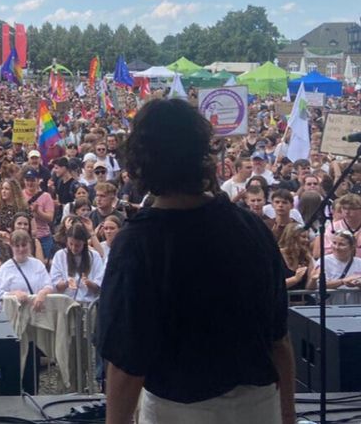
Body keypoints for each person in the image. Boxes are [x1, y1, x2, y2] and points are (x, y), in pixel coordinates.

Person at [98, 99, 294, 424]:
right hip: (259, 408)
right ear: (203, 155)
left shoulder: (137, 244)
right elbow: (280, 340)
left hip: (177, 412)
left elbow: (125, 364)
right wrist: (287, 417)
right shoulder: (252, 228)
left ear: (140, 161)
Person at [0, 229, 52, 311]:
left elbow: (49, 285)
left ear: (29, 245)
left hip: (37, 312)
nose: (21, 249)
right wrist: (14, 294)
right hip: (16, 314)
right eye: (17, 246)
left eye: (24, 245)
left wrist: (43, 293)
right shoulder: (5, 268)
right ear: (12, 247)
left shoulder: (38, 264)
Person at [50, 222, 104, 304]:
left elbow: (99, 285)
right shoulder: (60, 255)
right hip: (66, 303)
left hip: (87, 303)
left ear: (84, 243)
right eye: (70, 244)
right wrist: (67, 283)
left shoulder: (94, 256)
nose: (73, 248)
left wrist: (88, 283)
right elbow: (55, 284)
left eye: (78, 245)